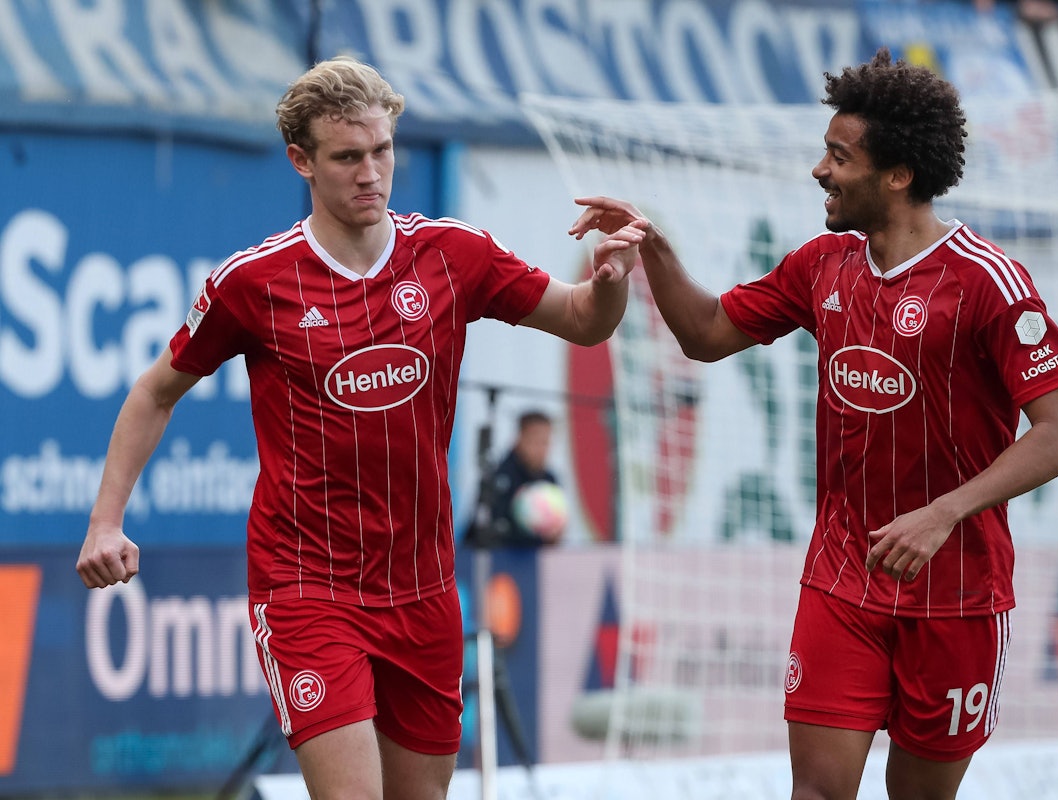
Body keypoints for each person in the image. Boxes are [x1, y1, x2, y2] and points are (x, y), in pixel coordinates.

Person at [75, 55, 644, 800]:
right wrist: (105, 520)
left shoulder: (451, 254)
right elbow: (155, 391)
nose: (371, 172)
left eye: (381, 150)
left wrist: (608, 285)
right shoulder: (254, 282)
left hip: (424, 590)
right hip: (307, 587)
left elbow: (580, 320)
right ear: (301, 161)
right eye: (348, 157)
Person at [569, 48, 1058, 800]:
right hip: (843, 580)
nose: (818, 170)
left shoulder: (986, 284)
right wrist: (656, 250)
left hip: (957, 596)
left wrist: (943, 512)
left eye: (838, 156)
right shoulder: (821, 266)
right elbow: (705, 333)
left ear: (896, 175)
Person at [469, 409, 563, 548]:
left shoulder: (550, 481)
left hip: (537, 563)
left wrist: (554, 534)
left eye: (546, 442)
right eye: (536, 441)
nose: (542, 449)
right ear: (519, 439)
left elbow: (554, 539)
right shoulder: (498, 478)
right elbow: (484, 531)